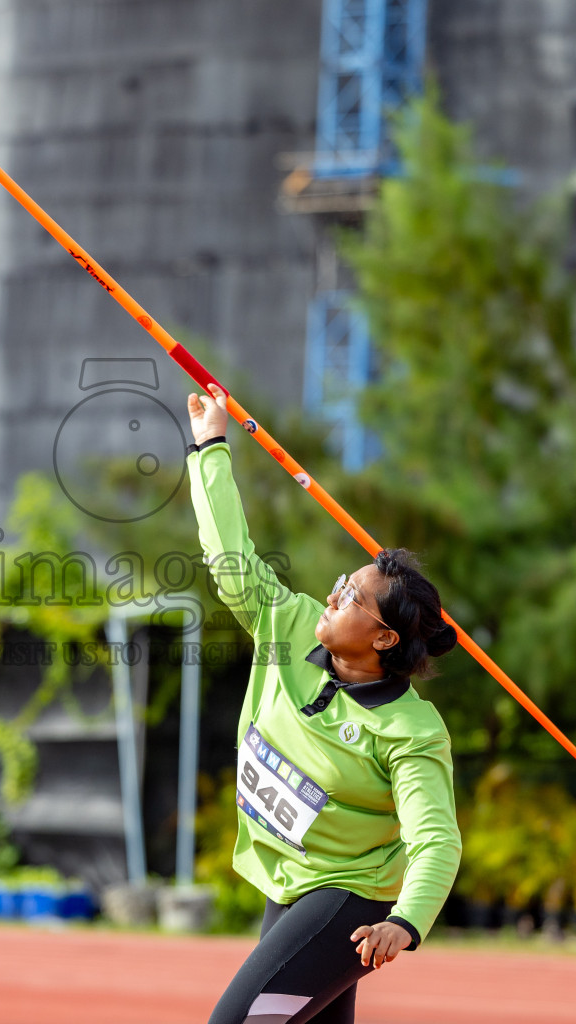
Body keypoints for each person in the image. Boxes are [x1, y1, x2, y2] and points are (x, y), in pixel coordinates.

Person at [186, 383, 462, 1024]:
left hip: (351, 898)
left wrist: (407, 922)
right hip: (291, 882)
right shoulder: (284, 624)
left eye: (353, 597)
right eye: (341, 583)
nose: (334, 595)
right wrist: (211, 446)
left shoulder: (410, 729)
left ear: (386, 638)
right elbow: (231, 560)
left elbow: (436, 839)